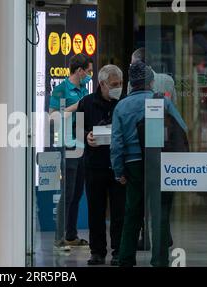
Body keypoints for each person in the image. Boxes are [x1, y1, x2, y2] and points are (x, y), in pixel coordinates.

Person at [111, 61, 187, 267]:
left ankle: (126, 259)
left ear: (131, 84)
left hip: (133, 164)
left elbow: (116, 144)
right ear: (151, 82)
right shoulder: (162, 102)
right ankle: (159, 260)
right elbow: (182, 129)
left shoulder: (122, 106)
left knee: (132, 213)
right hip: (160, 164)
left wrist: (119, 171)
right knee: (160, 213)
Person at [77, 65, 126, 265]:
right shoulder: (86, 103)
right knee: (95, 211)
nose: (118, 88)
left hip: (118, 166)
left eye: (121, 84)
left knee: (119, 212)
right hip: (95, 165)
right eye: (114, 84)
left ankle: (119, 251)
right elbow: (76, 130)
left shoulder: (124, 104)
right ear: (102, 84)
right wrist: (85, 136)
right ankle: (97, 251)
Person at [129, 47, 176, 250]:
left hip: (142, 144)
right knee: (161, 195)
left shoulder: (134, 85)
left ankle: (146, 236)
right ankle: (164, 235)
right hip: (163, 144)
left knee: (144, 196)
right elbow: (172, 111)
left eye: (132, 63)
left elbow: (133, 113)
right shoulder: (168, 81)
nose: (130, 66)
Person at [49, 53, 93, 250]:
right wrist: (76, 107)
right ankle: (59, 238)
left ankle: (71, 235)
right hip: (68, 145)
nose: (90, 74)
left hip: (83, 145)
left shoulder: (85, 90)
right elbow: (53, 117)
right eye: (89, 71)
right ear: (79, 70)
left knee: (77, 193)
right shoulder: (60, 90)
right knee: (67, 193)